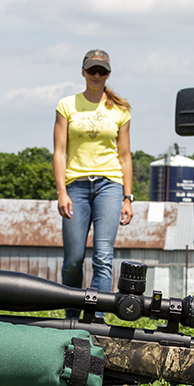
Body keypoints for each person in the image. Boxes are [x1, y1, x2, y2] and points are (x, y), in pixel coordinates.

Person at [53, 49, 133, 318]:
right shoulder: (67, 105)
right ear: (83, 72)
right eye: (92, 70)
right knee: (73, 260)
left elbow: (125, 155)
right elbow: (60, 152)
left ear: (108, 74)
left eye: (102, 71)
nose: (97, 75)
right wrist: (62, 192)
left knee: (103, 257)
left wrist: (127, 197)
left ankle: (96, 320)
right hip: (76, 186)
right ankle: (72, 318)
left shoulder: (120, 109)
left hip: (109, 185)